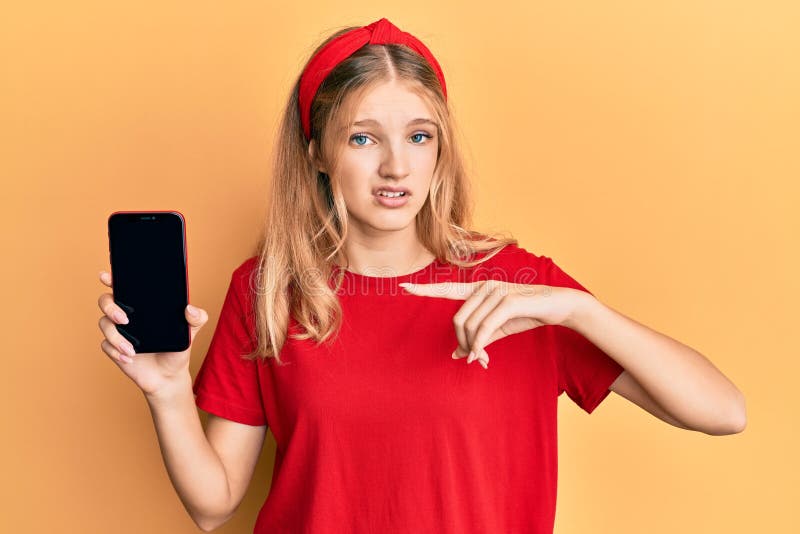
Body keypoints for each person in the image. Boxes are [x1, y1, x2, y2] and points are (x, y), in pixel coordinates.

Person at [96, 17, 746, 533]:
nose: (395, 168)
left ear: (440, 150)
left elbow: (723, 412)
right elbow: (213, 507)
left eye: (418, 137)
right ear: (317, 150)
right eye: (362, 138)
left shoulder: (521, 290)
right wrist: (167, 391)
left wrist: (580, 311)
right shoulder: (268, 290)